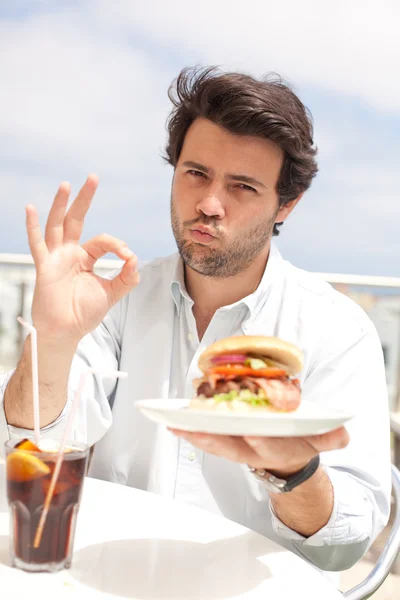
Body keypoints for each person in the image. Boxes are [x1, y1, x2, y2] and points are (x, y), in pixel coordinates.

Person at [0, 67, 391, 581]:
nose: (209, 204)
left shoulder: (336, 329)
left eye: (243, 187)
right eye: (196, 173)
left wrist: (293, 470)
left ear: (287, 205)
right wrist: (51, 343)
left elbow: (343, 546)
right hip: (103, 577)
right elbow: (31, 448)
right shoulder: (112, 298)